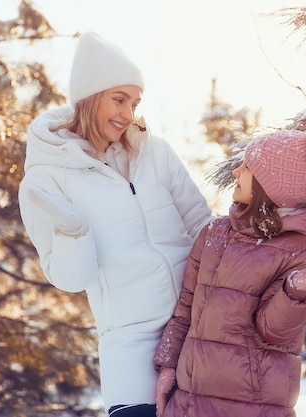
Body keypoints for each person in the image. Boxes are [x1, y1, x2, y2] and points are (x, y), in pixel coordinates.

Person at [18, 32, 213, 417]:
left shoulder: (154, 150)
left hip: (196, 330)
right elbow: (71, 280)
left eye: (135, 102)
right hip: (131, 347)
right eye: (118, 100)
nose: (128, 114)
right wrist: (73, 231)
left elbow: (202, 228)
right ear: (89, 97)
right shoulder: (45, 178)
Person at [153, 121, 306, 417]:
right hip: (189, 403)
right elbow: (186, 308)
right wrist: (168, 366)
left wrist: (294, 289)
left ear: (271, 185)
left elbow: (274, 332)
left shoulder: (299, 252)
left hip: (253, 407)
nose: (237, 173)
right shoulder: (214, 234)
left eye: (248, 168)